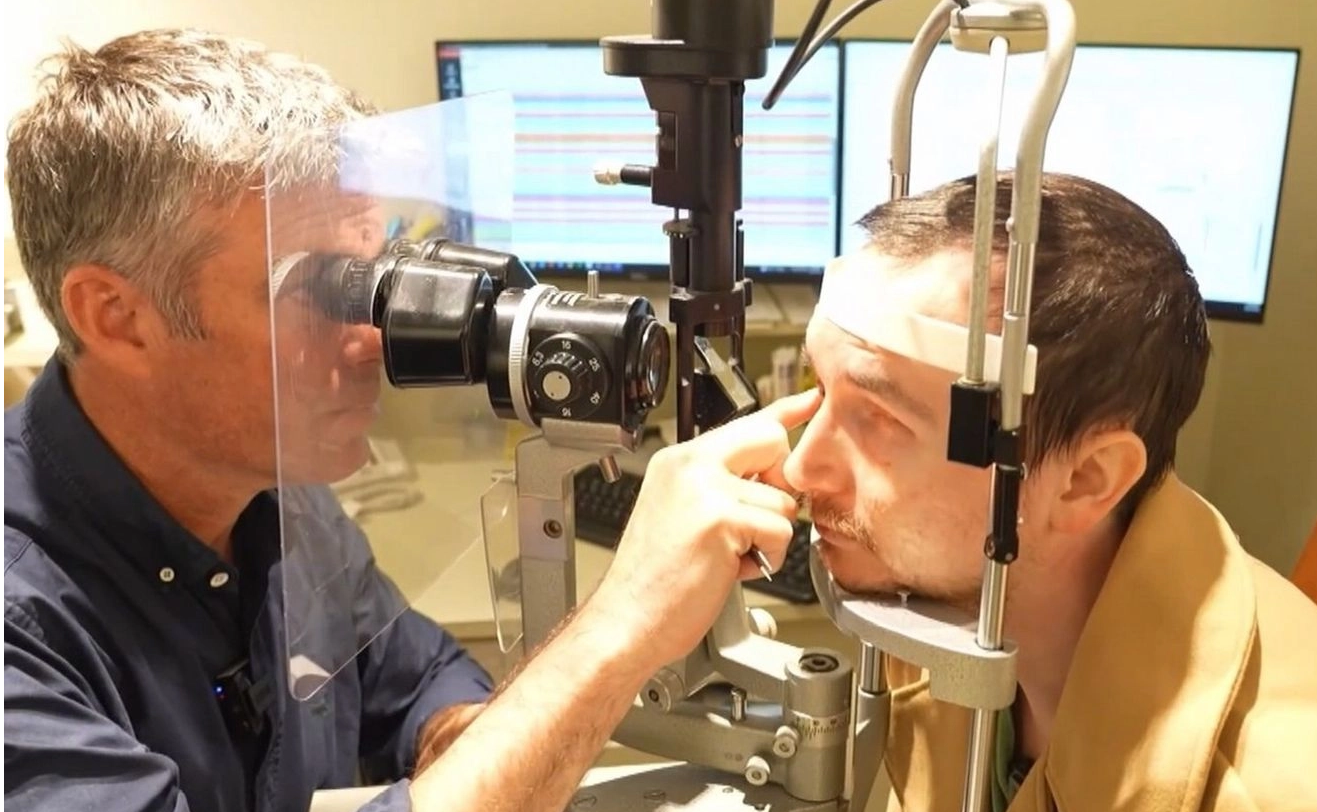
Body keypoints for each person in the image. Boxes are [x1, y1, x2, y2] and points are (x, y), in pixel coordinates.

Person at [3, 28, 807, 812]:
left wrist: (482, 751)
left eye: (371, 276)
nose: (369, 340)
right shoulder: (21, 632)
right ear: (116, 316)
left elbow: (415, 682)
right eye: (312, 290)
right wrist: (622, 621)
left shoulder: (274, 491)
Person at [788, 172, 1317, 811]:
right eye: (822, 387)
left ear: (1085, 481)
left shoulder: (1265, 789)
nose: (800, 469)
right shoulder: (943, 608)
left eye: (880, 420)